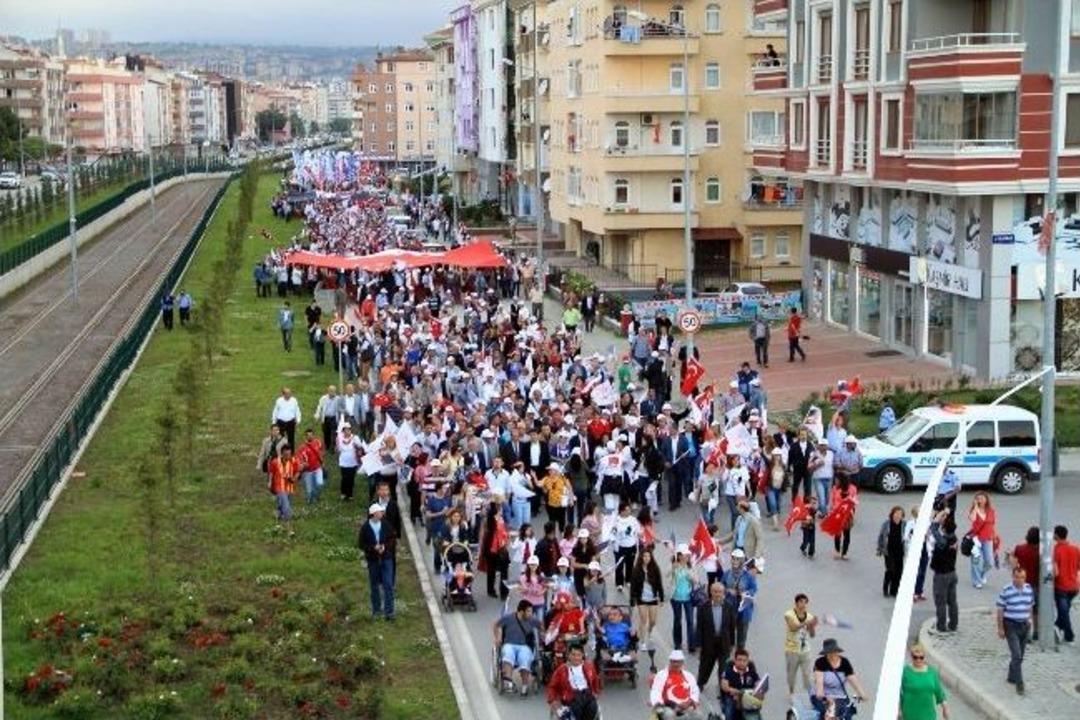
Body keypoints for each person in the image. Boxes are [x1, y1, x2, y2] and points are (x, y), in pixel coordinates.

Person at [995, 566, 1035, 694]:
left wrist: (1030, 620)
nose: (1020, 580)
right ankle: (1019, 683)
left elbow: (1030, 606)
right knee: (1016, 654)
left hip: (1024, 625)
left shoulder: (1029, 589)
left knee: (1020, 656)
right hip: (1011, 625)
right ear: (1013, 577)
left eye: (1022, 577)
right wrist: (1000, 628)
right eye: (1017, 577)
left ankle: (1011, 676)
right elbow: (1000, 610)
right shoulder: (1006, 590)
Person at [695, 582, 737, 697]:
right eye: (715, 591)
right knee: (705, 665)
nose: (717, 594)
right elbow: (699, 627)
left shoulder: (729, 606)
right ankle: (700, 683)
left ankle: (722, 689)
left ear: (724, 593)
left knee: (723, 668)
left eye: (720, 592)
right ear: (711, 592)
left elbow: (732, 627)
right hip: (708, 642)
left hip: (724, 642)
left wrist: (732, 644)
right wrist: (698, 645)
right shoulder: (703, 607)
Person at [494, 599, 542, 695]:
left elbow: (541, 627)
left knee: (524, 659)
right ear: (521, 611)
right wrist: (498, 637)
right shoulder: (508, 618)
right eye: (528, 611)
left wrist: (542, 637)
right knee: (508, 653)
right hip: (509, 644)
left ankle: (524, 686)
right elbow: (497, 625)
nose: (531, 613)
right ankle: (508, 682)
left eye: (531, 611)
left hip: (525, 646)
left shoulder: (532, 620)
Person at [359, 503, 397, 621]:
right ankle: (376, 611)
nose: (382, 513)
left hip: (386, 558)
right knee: (374, 585)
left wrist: (385, 547)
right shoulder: (365, 527)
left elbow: (392, 538)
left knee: (388, 584)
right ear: (374, 514)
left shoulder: (385, 524)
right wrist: (373, 548)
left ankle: (389, 612)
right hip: (373, 560)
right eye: (380, 512)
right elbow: (362, 544)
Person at [812, 639, 869, 718]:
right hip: (823, 697)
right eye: (829, 652)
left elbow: (853, 679)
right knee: (827, 715)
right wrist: (824, 697)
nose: (832, 655)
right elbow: (819, 683)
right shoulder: (820, 662)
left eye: (834, 652)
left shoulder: (844, 662)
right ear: (826, 653)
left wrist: (862, 694)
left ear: (837, 651)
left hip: (840, 697)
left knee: (847, 714)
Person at [546, 644, 602, 720]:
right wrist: (553, 700)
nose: (576, 658)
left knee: (592, 708)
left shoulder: (589, 667)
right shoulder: (561, 670)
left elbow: (595, 681)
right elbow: (552, 686)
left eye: (579, 655)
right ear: (568, 655)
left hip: (587, 694)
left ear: (582, 655)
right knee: (576, 709)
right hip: (571, 696)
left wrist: (596, 692)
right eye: (573, 655)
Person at [630, 548, 664, 664]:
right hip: (641, 599)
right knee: (643, 619)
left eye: (648, 556)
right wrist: (632, 599)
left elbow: (659, 584)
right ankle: (643, 641)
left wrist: (661, 597)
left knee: (653, 621)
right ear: (641, 557)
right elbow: (633, 586)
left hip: (653, 598)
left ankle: (650, 633)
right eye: (644, 556)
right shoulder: (636, 570)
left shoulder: (655, 569)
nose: (646, 558)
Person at [650, 650, 704, 720]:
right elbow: (656, 691)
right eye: (674, 661)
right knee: (669, 715)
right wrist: (659, 703)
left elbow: (695, 690)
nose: (676, 664)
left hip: (686, 706)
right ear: (670, 661)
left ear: (682, 662)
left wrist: (689, 702)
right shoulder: (661, 675)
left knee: (698, 715)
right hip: (668, 707)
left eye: (678, 662)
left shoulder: (689, 676)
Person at [928, 510, 959, 634]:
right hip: (952, 573)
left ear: (944, 529)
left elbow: (933, 528)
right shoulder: (954, 538)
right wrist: (944, 515)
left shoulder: (943, 541)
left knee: (940, 602)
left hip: (941, 575)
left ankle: (941, 627)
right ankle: (953, 625)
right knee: (952, 602)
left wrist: (939, 517)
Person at [899, 643, 949, 720]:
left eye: (921, 657)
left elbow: (939, 692)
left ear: (924, 657)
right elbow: (899, 693)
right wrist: (899, 710)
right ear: (911, 657)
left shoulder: (932, 672)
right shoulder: (905, 672)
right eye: (915, 657)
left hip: (928, 716)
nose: (918, 660)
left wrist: (945, 708)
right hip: (910, 715)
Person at [723, 549, 758, 649]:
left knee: (742, 631)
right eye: (733, 559)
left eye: (737, 559)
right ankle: (729, 648)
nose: (735, 561)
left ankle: (740, 651)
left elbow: (754, 588)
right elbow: (721, 586)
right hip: (730, 606)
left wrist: (746, 593)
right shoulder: (727, 574)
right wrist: (728, 590)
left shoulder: (748, 576)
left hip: (744, 607)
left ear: (742, 561)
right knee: (729, 629)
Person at [1052, 524, 1079, 644]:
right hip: (1074, 587)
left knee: (1063, 612)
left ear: (1056, 535)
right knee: (1065, 611)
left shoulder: (1056, 550)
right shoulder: (1075, 549)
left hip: (1061, 587)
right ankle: (1058, 627)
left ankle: (1069, 635)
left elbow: (1055, 572)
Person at [670, 545, 698, 653]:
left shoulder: (690, 566)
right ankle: (678, 643)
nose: (687, 556)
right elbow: (667, 579)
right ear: (679, 556)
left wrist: (690, 576)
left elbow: (696, 581)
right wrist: (673, 569)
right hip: (676, 597)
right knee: (677, 620)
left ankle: (691, 644)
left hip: (688, 597)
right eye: (685, 555)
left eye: (688, 555)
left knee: (690, 621)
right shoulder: (674, 566)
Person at [720, 647, 761, 720]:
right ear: (735, 660)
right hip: (732, 698)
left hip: (748, 698)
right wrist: (733, 690)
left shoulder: (751, 671)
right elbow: (724, 686)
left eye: (744, 660)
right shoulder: (728, 671)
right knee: (729, 712)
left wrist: (758, 689)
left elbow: (758, 683)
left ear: (747, 661)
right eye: (739, 660)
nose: (742, 663)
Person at [267, 444, 299, 536]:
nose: (288, 456)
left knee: (282, 506)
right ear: (282, 454)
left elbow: (297, 471)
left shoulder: (294, 461)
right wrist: (270, 482)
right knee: (286, 507)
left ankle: (278, 522)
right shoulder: (275, 462)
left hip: (290, 488)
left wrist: (294, 478)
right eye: (286, 455)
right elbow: (271, 472)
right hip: (279, 487)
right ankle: (290, 529)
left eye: (289, 454)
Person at [968, 491, 997, 589]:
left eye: (982, 498)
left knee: (990, 562)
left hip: (988, 539)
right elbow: (972, 519)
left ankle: (982, 575)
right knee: (976, 561)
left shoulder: (991, 511)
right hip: (976, 540)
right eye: (978, 498)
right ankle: (977, 581)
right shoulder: (974, 510)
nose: (981, 500)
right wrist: (975, 507)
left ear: (986, 499)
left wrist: (995, 536)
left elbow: (992, 525)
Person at [877, 506, 907, 597]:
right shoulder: (886, 524)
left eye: (900, 514)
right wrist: (880, 548)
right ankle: (885, 589)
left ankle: (894, 590)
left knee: (898, 571)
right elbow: (881, 536)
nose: (898, 516)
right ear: (892, 514)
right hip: (889, 550)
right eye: (896, 513)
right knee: (890, 570)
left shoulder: (904, 524)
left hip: (900, 551)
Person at [336, 422, 363, 501]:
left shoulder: (355, 438)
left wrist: (357, 444)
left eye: (348, 430)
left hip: (352, 462)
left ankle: (350, 494)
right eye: (345, 430)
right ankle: (343, 493)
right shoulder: (340, 438)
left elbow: (360, 446)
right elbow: (338, 450)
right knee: (344, 478)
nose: (347, 432)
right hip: (343, 461)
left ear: (351, 430)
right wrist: (337, 443)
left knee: (351, 478)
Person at [296, 428, 324, 504]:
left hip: (317, 468)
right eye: (308, 435)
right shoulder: (302, 447)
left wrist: (321, 458)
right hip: (307, 471)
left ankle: (316, 496)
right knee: (309, 490)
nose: (310, 437)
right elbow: (298, 458)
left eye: (311, 435)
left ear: (314, 435)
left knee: (320, 483)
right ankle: (310, 499)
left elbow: (322, 451)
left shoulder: (318, 442)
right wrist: (302, 464)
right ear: (305, 436)